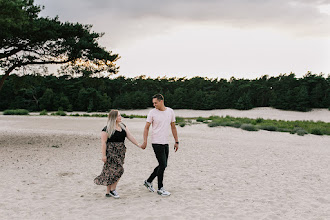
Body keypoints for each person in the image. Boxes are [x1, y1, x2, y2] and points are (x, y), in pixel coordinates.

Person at [94, 110, 142, 199]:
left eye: (120, 115)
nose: (121, 117)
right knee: (119, 170)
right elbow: (103, 143)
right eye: (119, 116)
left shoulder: (123, 126)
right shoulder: (106, 129)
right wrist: (103, 155)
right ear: (114, 118)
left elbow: (130, 136)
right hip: (111, 152)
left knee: (111, 171)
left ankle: (108, 192)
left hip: (121, 151)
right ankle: (113, 190)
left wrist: (138, 144)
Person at [141, 94, 179, 196]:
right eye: (153, 103)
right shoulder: (152, 112)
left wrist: (176, 141)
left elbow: (173, 127)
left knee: (163, 165)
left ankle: (148, 181)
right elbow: (146, 128)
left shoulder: (170, 111)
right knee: (162, 165)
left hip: (165, 142)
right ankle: (160, 188)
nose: (154, 105)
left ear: (161, 101)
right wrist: (145, 141)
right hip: (156, 142)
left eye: (155, 103)